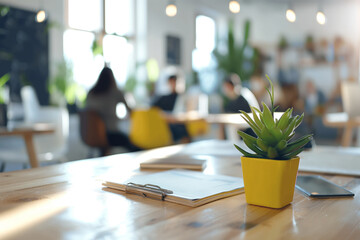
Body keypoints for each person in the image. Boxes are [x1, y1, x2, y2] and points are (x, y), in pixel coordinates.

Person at [86, 67, 141, 152]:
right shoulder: (115, 92)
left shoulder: (91, 93)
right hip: (110, 134)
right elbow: (131, 110)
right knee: (134, 147)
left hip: (90, 134)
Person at [152, 75, 190, 143]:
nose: (173, 84)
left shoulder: (182, 97)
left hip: (178, 120)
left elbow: (186, 111)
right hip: (165, 122)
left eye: (175, 82)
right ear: (168, 83)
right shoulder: (163, 98)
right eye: (171, 82)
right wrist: (165, 116)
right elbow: (153, 109)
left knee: (181, 127)